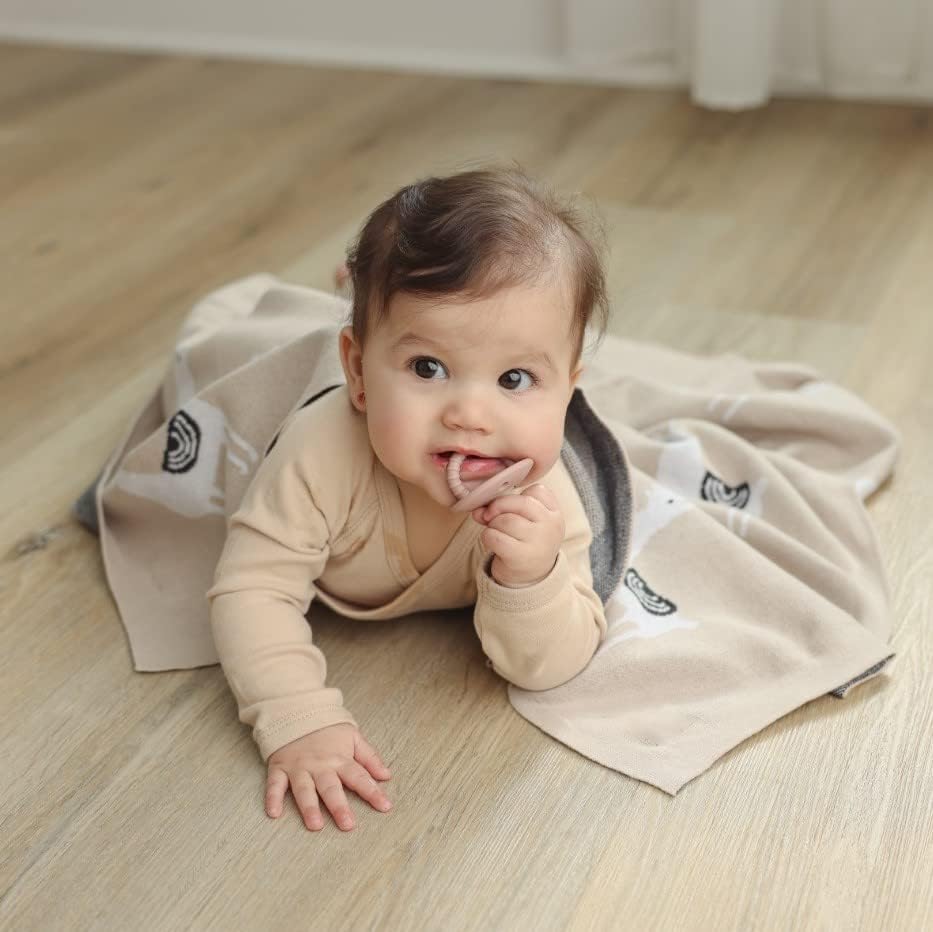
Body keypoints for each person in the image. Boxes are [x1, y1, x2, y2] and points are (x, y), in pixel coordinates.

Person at [206, 163, 612, 833]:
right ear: (359, 374)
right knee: (233, 343)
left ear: (567, 391)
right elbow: (253, 588)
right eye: (428, 368)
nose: (470, 415)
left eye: (515, 378)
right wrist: (297, 717)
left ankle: (366, 308)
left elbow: (547, 667)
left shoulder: (541, 499)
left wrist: (533, 579)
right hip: (307, 390)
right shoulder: (320, 454)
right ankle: (342, 303)